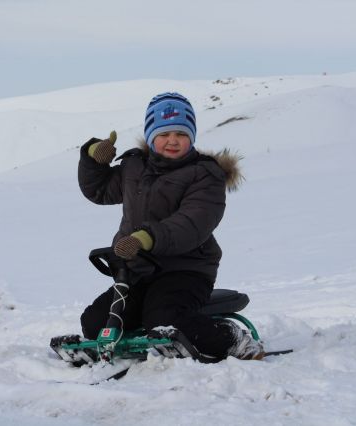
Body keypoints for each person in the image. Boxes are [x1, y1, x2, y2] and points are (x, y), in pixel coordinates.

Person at [77, 92, 264, 361]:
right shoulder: (134, 166)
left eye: (181, 133)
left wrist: (145, 239)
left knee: (164, 319)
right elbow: (99, 191)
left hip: (186, 270)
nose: (172, 140)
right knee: (95, 323)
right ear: (151, 135)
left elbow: (192, 223)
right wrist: (92, 157)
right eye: (164, 133)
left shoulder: (205, 174)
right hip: (137, 271)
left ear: (192, 136)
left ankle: (230, 338)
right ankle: (152, 332)